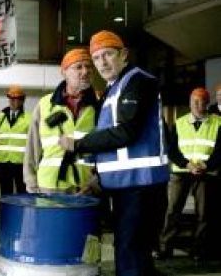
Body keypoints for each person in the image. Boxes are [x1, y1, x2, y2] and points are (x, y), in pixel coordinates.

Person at [59, 30, 170, 276]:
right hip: (126, 186)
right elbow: (117, 143)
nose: (102, 63)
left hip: (141, 186)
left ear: (124, 54)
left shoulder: (138, 81)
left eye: (108, 54)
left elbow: (126, 132)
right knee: (132, 253)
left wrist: (79, 144)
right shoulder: (114, 88)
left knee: (130, 256)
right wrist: (100, 179)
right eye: (96, 58)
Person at [158, 88, 221, 261]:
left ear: (207, 103)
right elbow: (172, 151)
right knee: (172, 211)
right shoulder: (179, 122)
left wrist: (205, 165)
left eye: (201, 101)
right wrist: (187, 164)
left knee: (204, 214)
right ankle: (165, 248)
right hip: (182, 172)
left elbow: (220, 151)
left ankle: (199, 250)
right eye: (194, 101)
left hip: (206, 173)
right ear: (190, 102)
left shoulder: (218, 122)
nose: (198, 105)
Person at [23, 49, 98, 194]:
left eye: (89, 66)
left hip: (86, 187)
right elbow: (32, 147)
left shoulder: (99, 105)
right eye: (78, 67)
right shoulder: (44, 104)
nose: (85, 71)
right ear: (64, 72)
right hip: (49, 186)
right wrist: (31, 182)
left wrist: (95, 183)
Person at [0, 85, 31, 195]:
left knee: (22, 192)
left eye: (17, 99)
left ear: (22, 101)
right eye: (11, 98)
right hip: (2, 161)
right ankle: (6, 212)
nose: (13, 101)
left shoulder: (29, 118)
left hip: (20, 162)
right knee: (5, 193)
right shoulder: (1, 116)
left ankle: (22, 212)